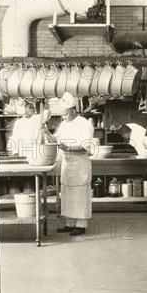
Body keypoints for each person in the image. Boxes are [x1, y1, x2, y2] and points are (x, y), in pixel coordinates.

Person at [43, 92, 94, 236]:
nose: (63, 115)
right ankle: (70, 223)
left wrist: (68, 148)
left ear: (72, 110)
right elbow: (55, 140)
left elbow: (86, 146)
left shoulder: (84, 124)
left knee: (80, 194)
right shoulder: (64, 124)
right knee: (67, 194)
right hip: (67, 164)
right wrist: (45, 131)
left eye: (65, 112)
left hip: (80, 165)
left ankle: (81, 225)